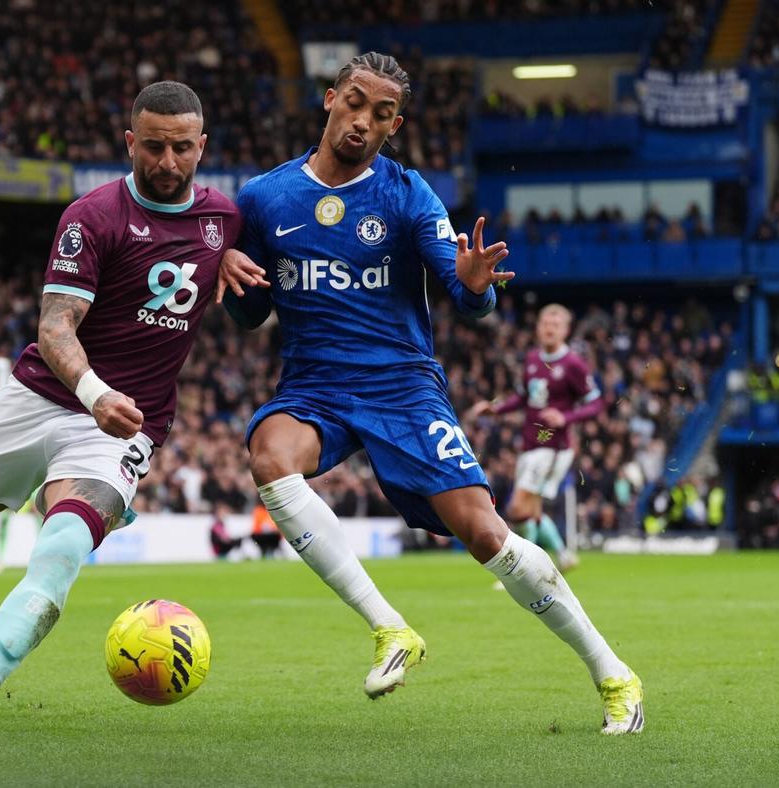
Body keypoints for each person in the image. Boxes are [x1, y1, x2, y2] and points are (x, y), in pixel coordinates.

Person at [218, 52, 643, 734]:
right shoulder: (263, 199)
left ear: (396, 125)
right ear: (329, 98)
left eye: (381, 114)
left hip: (401, 388)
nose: (363, 121)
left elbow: (465, 297)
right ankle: (390, 629)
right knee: (270, 456)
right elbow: (247, 313)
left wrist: (473, 286)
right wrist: (235, 280)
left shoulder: (408, 194)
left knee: (485, 534)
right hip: (315, 387)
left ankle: (613, 673)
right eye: (355, 102)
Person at [0, 81, 240, 748]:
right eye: (154, 147)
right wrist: (95, 391)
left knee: (62, 549)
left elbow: (249, 260)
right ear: (130, 143)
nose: (167, 162)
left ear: (202, 147)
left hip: (124, 429)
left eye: (182, 148)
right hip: (42, 398)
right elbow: (55, 326)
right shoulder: (92, 216)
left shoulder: (223, 220)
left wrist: (233, 257)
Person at [471, 304, 604, 573]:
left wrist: (565, 418)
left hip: (553, 446)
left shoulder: (573, 365)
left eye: (556, 324)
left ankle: (524, 568)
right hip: (531, 442)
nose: (549, 328)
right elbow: (523, 397)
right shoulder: (532, 358)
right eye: (545, 323)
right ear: (538, 327)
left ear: (565, 330)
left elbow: (596, 403)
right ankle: (564, 556)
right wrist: (495, 409)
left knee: (518, 508)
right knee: (532, 510)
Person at [0, 486, 45, 575]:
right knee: (4, 520)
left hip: (33, 488)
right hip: (17, 488)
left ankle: (43, 556)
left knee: (41, 520)